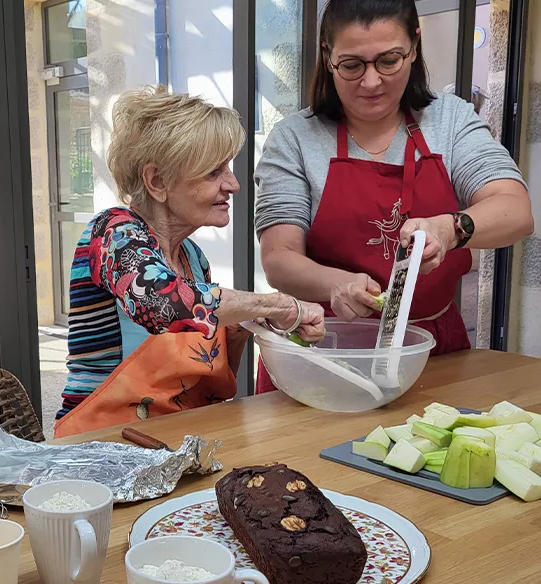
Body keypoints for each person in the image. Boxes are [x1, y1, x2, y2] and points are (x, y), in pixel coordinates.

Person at [254, 0, 533, 394]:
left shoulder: (449, 121)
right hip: (323, 345)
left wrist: (452, 228)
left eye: (389, 60)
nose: (371, 82)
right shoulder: (294, 139)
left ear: (414, 48)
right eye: (352, 65)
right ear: (327, 56)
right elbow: (279, 258)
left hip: (431, 349)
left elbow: (516, 210)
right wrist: (338, 284)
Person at [54, 86, 325, 438]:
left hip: (176, 440)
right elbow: (163, 303)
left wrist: (251, 324)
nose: (234, 184)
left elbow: (206, 381)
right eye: (214, 172)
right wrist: (277, 303)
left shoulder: (193, 258)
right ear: (158, 182)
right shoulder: (112, 233)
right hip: (100, 443)